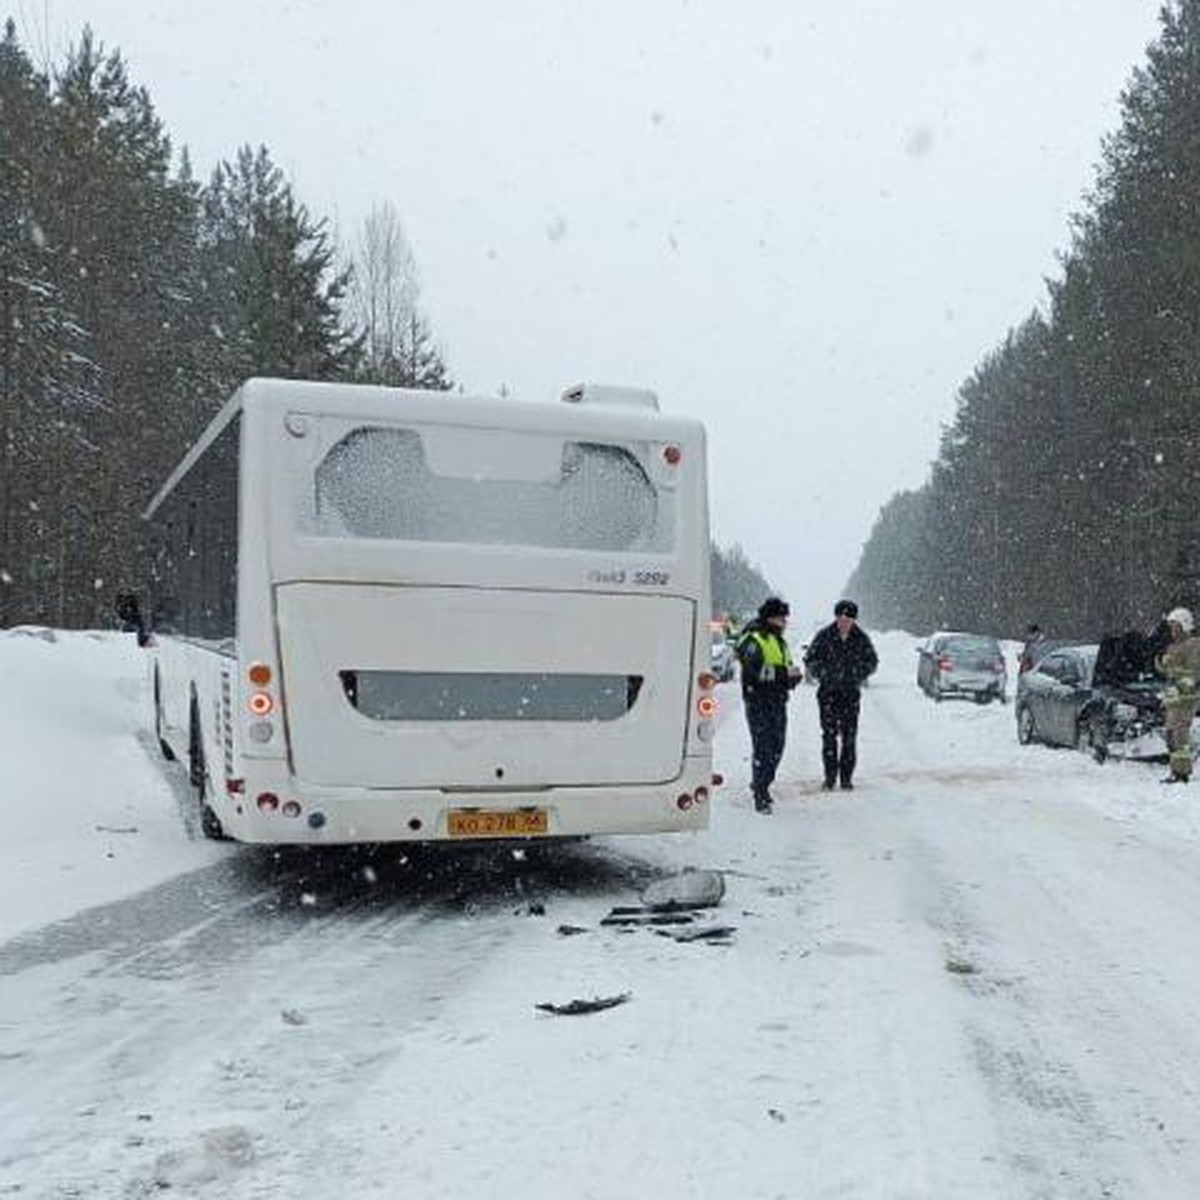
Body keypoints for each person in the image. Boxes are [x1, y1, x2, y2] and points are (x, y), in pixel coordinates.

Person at [735, 596, 803, 813]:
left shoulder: (780, 642)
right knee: (763, 748)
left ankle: (762, 783)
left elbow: (784, 667)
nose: (785, 622)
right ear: (771, 618)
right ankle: (760, 794)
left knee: (777, 748)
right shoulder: (753, 640)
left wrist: (793, 677)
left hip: (778, 702)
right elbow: (754, 672)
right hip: (758, 702)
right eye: (782, 618)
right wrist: (784, 674)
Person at [804, 599, 878, 790]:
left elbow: (872, 661)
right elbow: (810, 659)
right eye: (841, 616)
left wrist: (857, 674)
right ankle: (829, 778)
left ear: (854, 619)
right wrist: (823, 674)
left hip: (850, 694)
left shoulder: (860, 638)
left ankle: (846, 778)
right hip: (827, 694)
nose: (844, 620)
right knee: (829, 736)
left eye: (848, 617)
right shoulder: (824, 636)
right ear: (836, 617)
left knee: (849, 737)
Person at [1156, 606, 1200, 784]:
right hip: (1173, 699)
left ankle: (1182, 773)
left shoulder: (1194, 645)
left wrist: (1177, 676)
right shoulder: (1173, 646)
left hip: (1186, 699)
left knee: (1179, 736)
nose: (1172, 630)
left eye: (1175, 626)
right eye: (1171, 626)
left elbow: (1193, 673)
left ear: (1184, 626)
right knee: (1171, 736)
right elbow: (1169, 672)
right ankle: (1175, 770)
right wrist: (1160, 663)